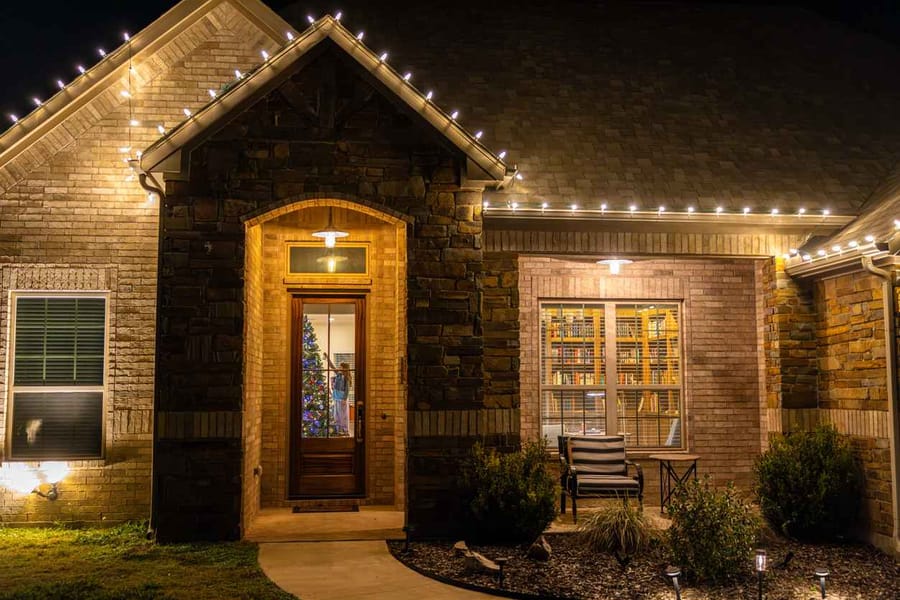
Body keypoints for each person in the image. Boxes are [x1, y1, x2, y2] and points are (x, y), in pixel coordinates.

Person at [331, 362, 352, 435]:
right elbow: (333, 368)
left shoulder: (347, 378)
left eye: (340, 367)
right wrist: (327, 358)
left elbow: (347, 389)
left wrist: (344, 399)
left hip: (342, 398)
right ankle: (338, 429)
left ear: (344, 368)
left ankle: (345, 430)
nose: (339, 368)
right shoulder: (339, 374)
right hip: (336, 397)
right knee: (336, 414)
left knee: (343, 415)